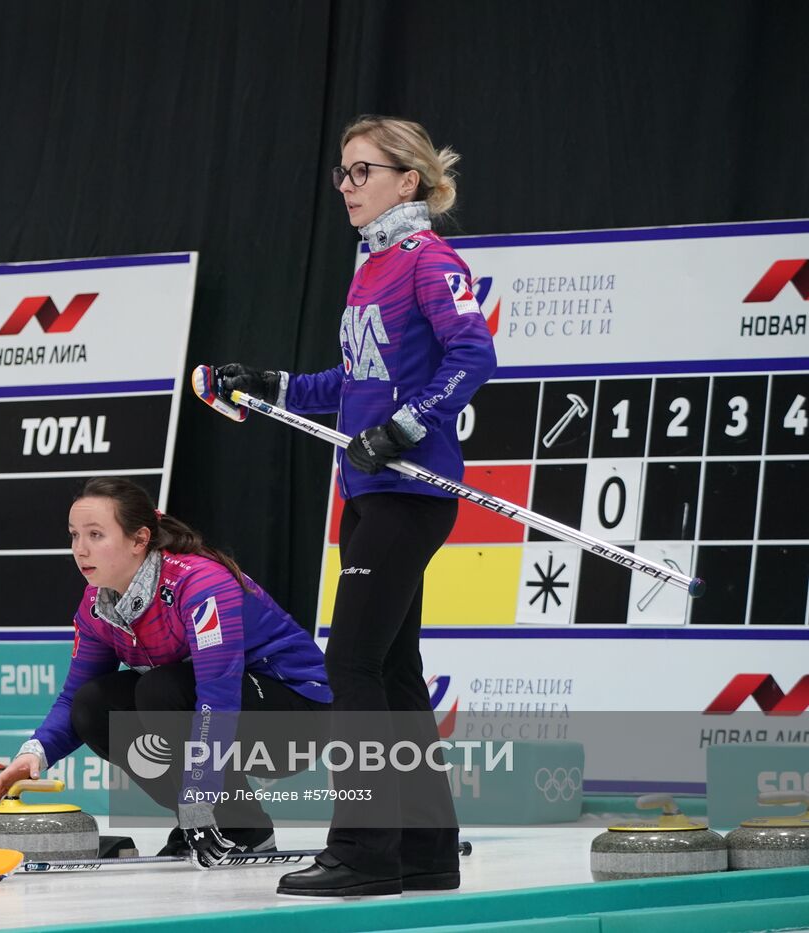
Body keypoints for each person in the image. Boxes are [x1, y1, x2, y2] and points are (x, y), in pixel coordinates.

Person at [207, 116, 496, 895]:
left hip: (408, 489)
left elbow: (476, 354)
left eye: (362, 171)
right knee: (396, 669)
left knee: (353, 663)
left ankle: (364, 852)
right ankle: (427, 851)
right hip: (365, 489)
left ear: (409, 180)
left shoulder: (429, 262)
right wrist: (272, 386)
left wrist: (405, 426)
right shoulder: (368, 268)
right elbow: (351, 383)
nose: (347, 186)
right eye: (342, 172)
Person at [0, 476, 332, 869]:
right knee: (94, 706)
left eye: (96, 535)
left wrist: (199, 797)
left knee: (160, 690)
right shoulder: (98, 607)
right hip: (214, 709)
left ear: (139, 540)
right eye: (74, 535)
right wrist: (33, 755)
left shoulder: (200, 583)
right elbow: (73, 698)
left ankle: (238, 826)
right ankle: (212, 822)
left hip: (298, 720)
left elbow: (217, 699)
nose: (80, 549)